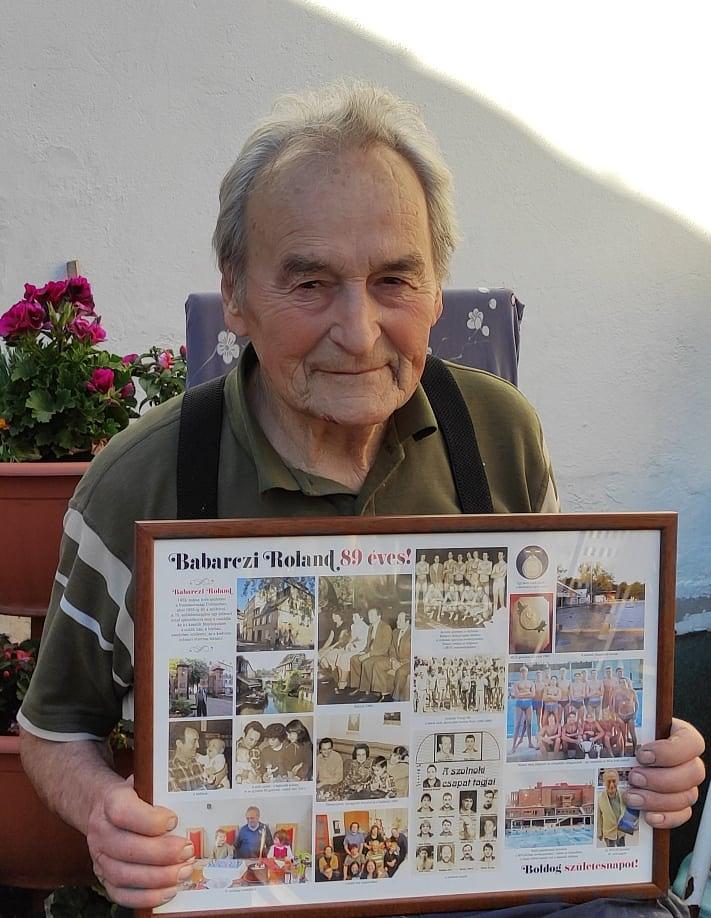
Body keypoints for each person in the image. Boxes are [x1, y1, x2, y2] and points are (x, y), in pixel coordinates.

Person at [17, 83, 704, 913]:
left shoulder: (498, 433)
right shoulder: (141, 479)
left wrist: (646, 756)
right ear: (235, 295)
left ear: (436, 287)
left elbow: (552, 669)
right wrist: (105, 812)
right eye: (310, 283)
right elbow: (55, 731)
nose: (358, 330)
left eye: (394, 280)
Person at [167, 726, 205, 792]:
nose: (198, 746)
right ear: (179, 743)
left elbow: (207, 788)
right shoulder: (168, 769)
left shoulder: (197, 763)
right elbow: (178, 797)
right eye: (194, 741)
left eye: (197, 741)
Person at [598, 769, 627, 847]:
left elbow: (628, 811)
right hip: (608, 833)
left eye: (614, 781)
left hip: (621, 831)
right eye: (608, 782)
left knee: (622, 851)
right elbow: (599, 817)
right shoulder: (600, 798)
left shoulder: (624, 795)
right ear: (604, 782)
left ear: (618, 781)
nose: (611, 785)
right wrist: (599, 833)